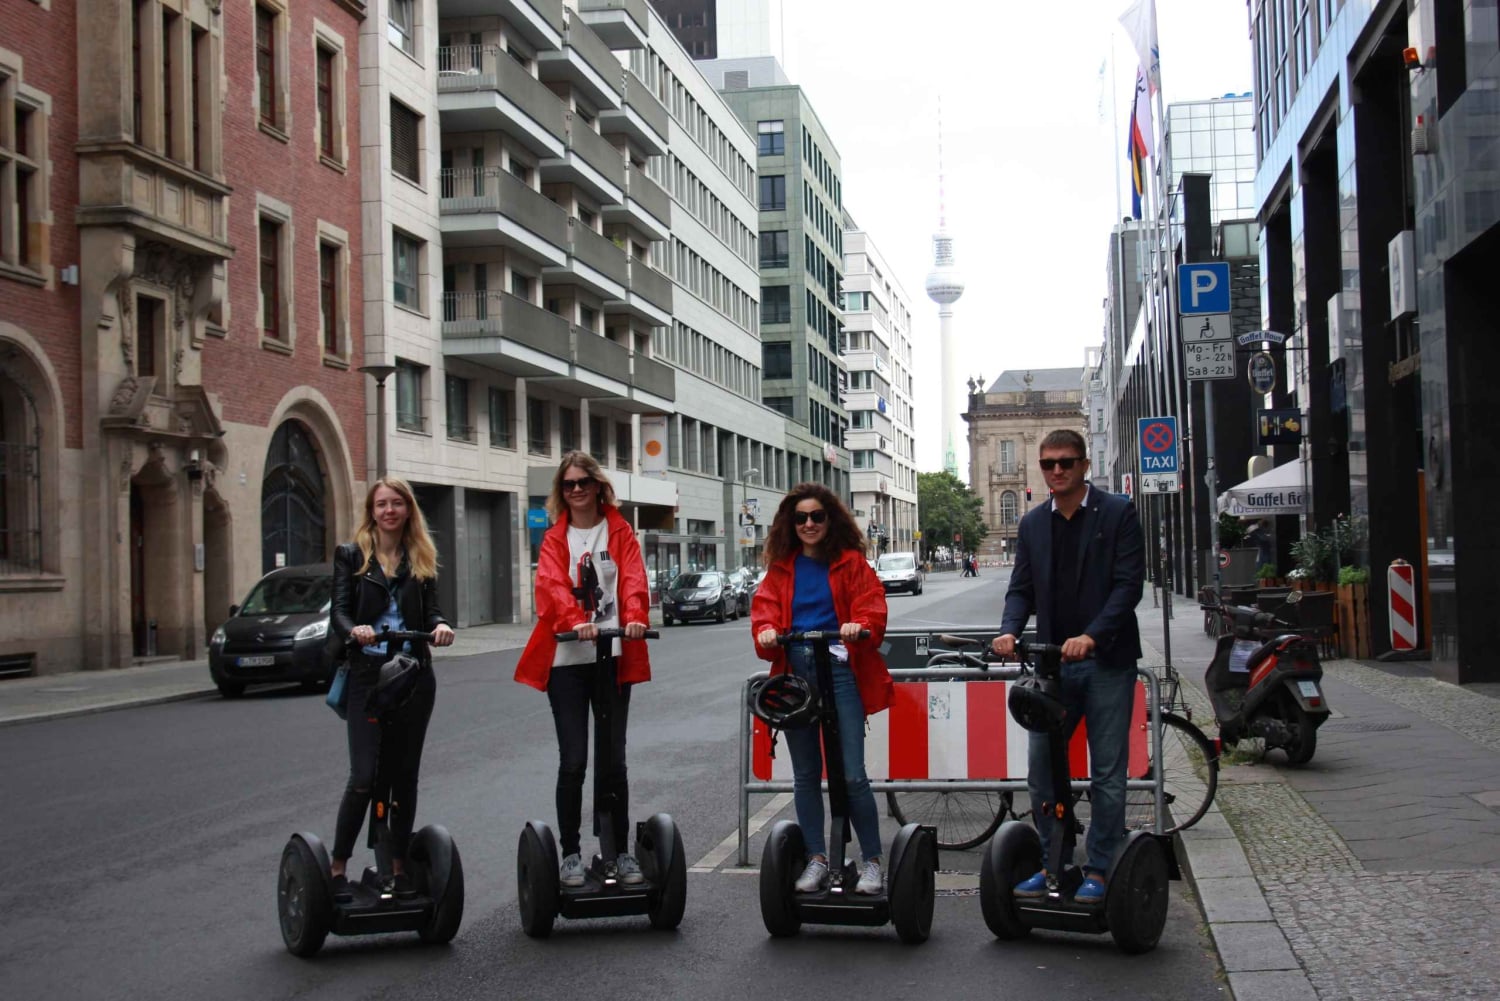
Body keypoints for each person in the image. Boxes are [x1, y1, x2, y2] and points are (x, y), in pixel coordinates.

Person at [990, 430, 1144, 905]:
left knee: (1107, 775)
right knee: (1043, 773)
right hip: (1052, 668)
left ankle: (1100, 868)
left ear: (1082, 466)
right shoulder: (1035, 524)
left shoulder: (1118, 513)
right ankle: (1053, 862)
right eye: (1049, 464)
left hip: (1106, 662)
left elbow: (1127, 587)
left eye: (1067, 463)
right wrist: (1010, 629)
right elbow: (1021, 588)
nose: (1057, 471)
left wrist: (1092, 635)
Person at [516, 452, 651, 887]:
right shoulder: (556, 539)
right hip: (567, 662)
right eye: (569, 484)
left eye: (583, 482)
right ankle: (571, 852)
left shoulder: (620, 532)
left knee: (614, 760)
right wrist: (577, 622)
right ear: (562, 491)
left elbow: (633, 579)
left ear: (597, 486)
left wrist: (633, 616)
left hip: (611, 656)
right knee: (574, 760)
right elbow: (551, 587)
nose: (576, 490)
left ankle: (619, 852)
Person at [752, 483, 893, 895]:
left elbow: (872, 605)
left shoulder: (850, 562)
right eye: (801, 518)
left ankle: (872, 861)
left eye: (817, 516)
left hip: (839, 668)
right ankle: (816, 857)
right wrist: (764, 630)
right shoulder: (782, 567)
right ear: (790, 525)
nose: (809, 524)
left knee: (852, 775)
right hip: (795, 673)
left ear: (830, 520)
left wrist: (859, 623)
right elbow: (765, 609)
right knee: (805, 774)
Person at [329, 476, 455, 898]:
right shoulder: (350, 556)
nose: (388, 511)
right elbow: (340, 615)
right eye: (381, 504)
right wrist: (357, 631)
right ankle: (337, 866)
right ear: (372, 511)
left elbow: (433, 610)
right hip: (368, 674)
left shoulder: (420, 556)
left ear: (407, 510)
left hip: (412, 673)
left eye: (396, 503)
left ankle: (398, 866)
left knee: (404, 777)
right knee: (364, 776)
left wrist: (439, 627)